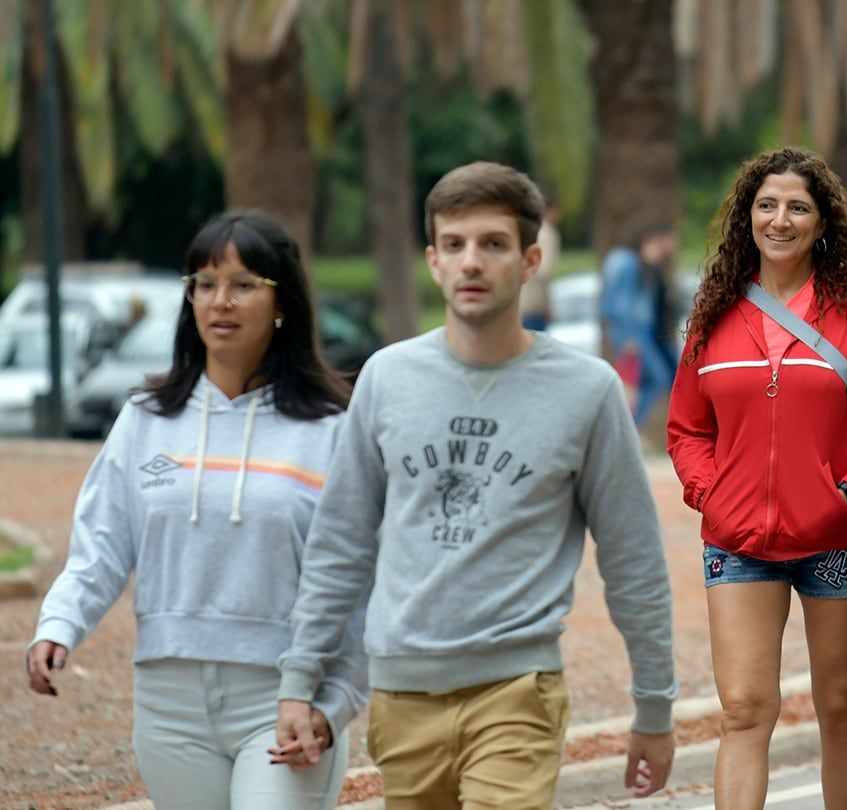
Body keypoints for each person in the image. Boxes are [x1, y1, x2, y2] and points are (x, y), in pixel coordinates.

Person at [274, 162, 677, 809]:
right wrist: (300, 682)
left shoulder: (587, 390)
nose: (471, 262)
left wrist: (653, 707)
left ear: (530, 260)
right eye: (454, 244)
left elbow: (634, 559)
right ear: (432, 261)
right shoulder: (385, 378)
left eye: (493, 244)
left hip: (517, 692)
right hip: (402, 697)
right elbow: (340, 544)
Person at [25, 210, 365, 808]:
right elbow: (102, 544)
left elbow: (360, 583)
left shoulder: (333, 430)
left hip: (286, 697)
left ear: (281, 302)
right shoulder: (146, 419)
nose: (220, 301)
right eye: (205, 283)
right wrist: (59, 624)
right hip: (169, 704)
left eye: (243, 284)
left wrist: (335, 704)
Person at [667, 146, 847, 809]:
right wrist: (711, 495)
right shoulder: (714, 313)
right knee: (744, 710)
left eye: (798, 207)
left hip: (842, 539)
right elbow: (687, 429)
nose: (780, 220)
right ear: (747, 217)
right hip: (739, 542)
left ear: (822, 222)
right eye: (767, 205)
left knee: (841, 707)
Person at [600, 219, 681, 427]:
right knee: (656, 378)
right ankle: (629, 427)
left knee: (645, 381)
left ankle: (629, 426)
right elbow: (621, 304)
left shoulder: (630, 261)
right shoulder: (626, 262)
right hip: (633, 332)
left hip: (637, 331)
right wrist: (629, 337)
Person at [520, 187, 560, 331]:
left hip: (520, 306)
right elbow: (544, 272)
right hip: (534, 307)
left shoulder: (525, 230)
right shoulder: (547, 233)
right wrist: (548, 306)